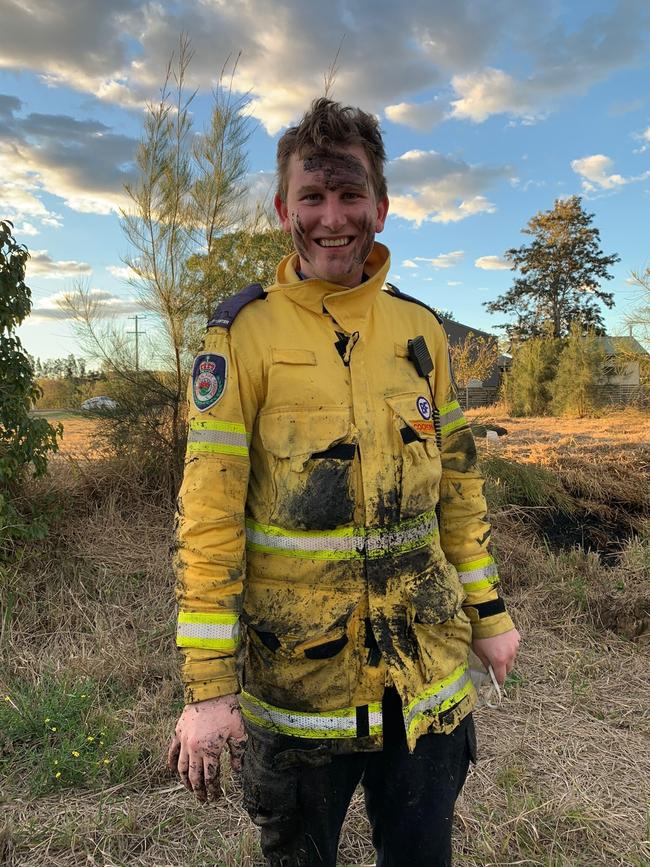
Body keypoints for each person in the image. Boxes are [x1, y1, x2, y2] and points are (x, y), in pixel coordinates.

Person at [168, 98, 520, 867]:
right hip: (300, 697)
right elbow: (210, 517)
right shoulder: (241, 335)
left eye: (351, 194)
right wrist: (207, 688)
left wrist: (490, 616)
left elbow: (459, 490)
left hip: (424, 686)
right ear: (282, 209)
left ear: (383, 208)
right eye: (313, 197)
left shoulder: (422, 330)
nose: (334, 217)